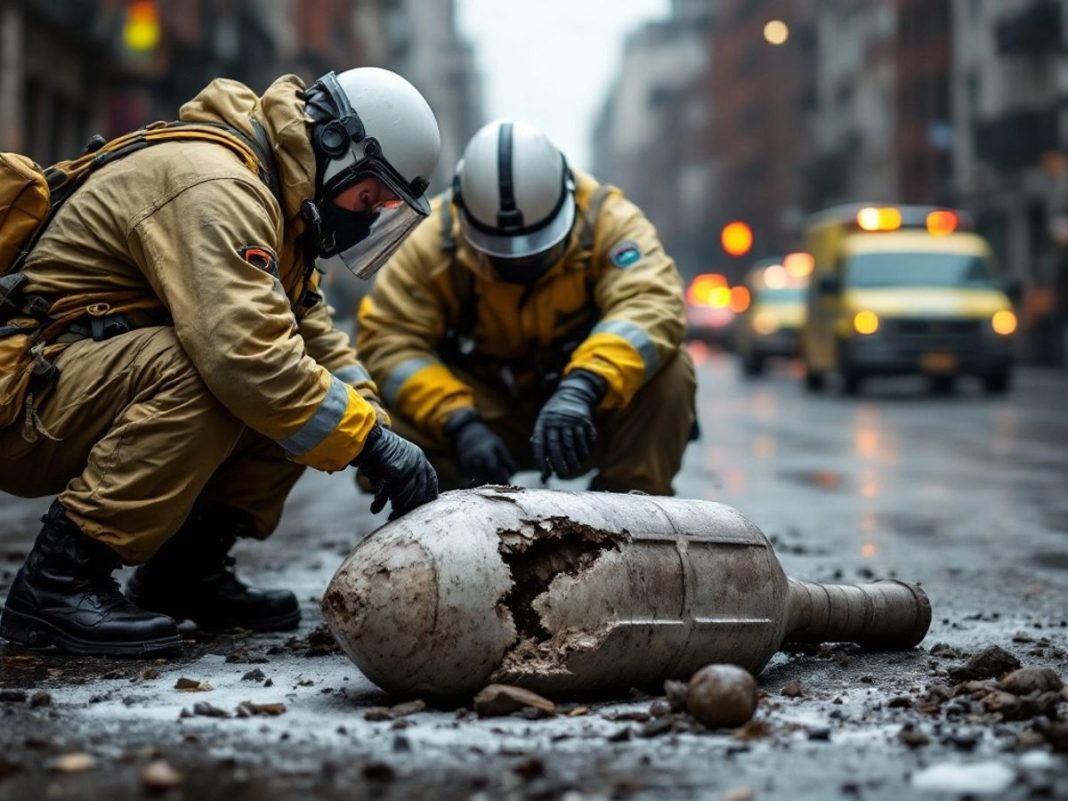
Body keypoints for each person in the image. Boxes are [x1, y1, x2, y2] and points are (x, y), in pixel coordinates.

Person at [0, 67, 441, 655]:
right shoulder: (217, 185)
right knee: (221, 375)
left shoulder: (281, 208)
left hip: (68, 384)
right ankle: (58, 584)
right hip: (24, 396)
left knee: (315, 400)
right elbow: (245, 357)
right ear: (336, 148)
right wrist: (372, 446)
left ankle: (185, 574)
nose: (367, 215)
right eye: (368, 197)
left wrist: (377, 432)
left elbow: (311, 339)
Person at [357, 120, 696, 494]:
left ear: (567, 204)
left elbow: (652, 302)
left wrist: (584, 386)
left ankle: (630, 513)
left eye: (535, 249)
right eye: (498, 254)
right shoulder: (430, 240)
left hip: (586, 413)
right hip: (481, 420)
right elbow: (389, 341)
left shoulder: (609, 220)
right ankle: (437, 511)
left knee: (671, 373)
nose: (517, 264)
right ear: (464, 219)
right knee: (378, 405)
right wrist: (458, 421)